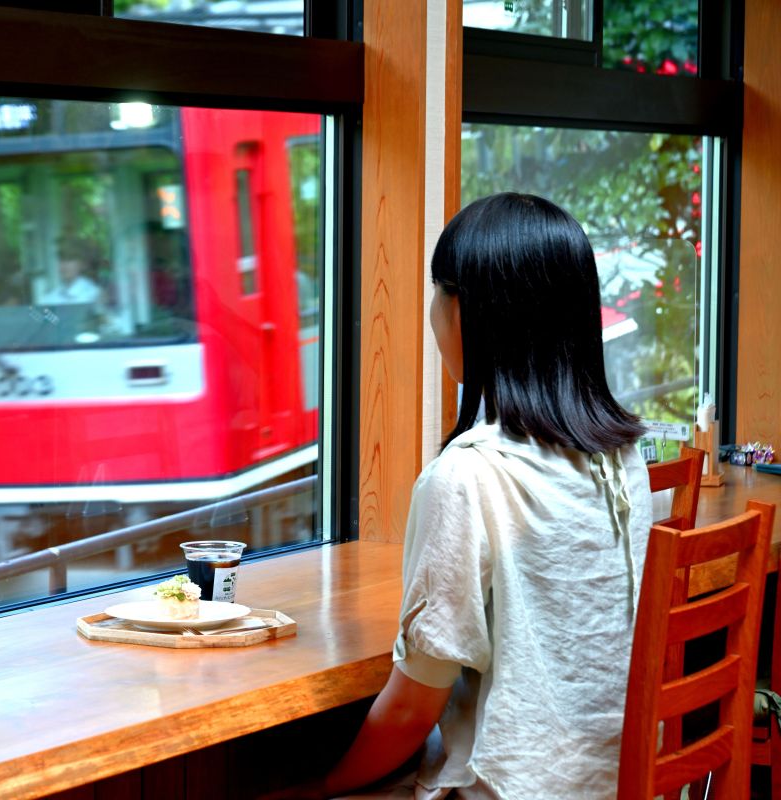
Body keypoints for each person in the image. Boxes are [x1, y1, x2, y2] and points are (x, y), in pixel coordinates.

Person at [274, 193, 651, 799]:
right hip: (623, 781)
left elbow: (410, 708)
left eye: (438, 291)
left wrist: (321, 788)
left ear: (471, 314)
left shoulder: (468, 477)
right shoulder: (623, 455)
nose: (431, 313)